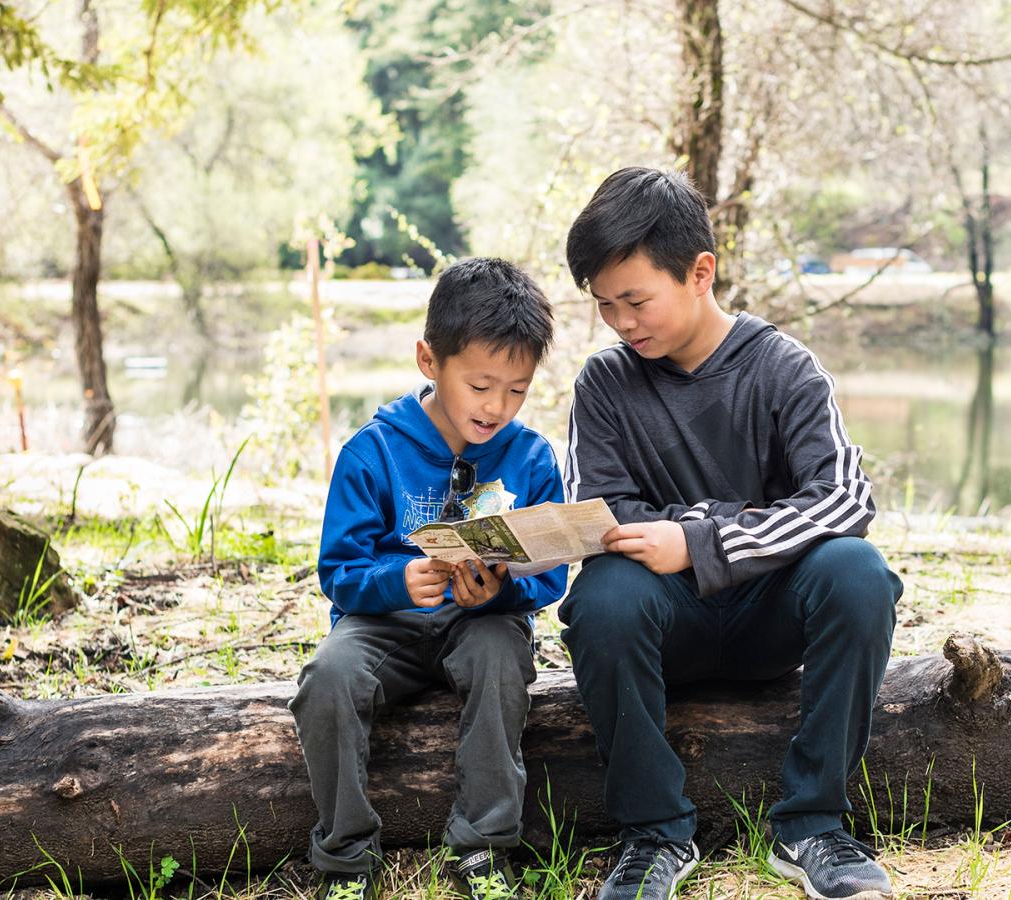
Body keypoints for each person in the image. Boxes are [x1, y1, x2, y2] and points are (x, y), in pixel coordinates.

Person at [559, 168, 905, 900]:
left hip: (772, 619)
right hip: (663, 624)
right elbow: (599, 507)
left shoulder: (785, 369)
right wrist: (681, 537)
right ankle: (654, 835)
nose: (622, 322)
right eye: (605, 306)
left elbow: (843, 498)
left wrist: (701, 540)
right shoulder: (605, 384)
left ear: (700, 272)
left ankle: (813, 826)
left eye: (636, 300)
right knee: (603, 595)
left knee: (857, 571)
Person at [289, 257, 566, 900]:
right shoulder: (374, 450)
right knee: (327, 678)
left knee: (502, 659)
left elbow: (551, 575)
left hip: (481, 624)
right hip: (382, 625)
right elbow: (339, 572)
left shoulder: (531, 457)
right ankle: (346, 856)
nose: (498, 407)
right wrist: (396, 581)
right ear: (428, 360)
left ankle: (483, 848)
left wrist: (504, 590)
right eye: (481, 385)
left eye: (518, 389)